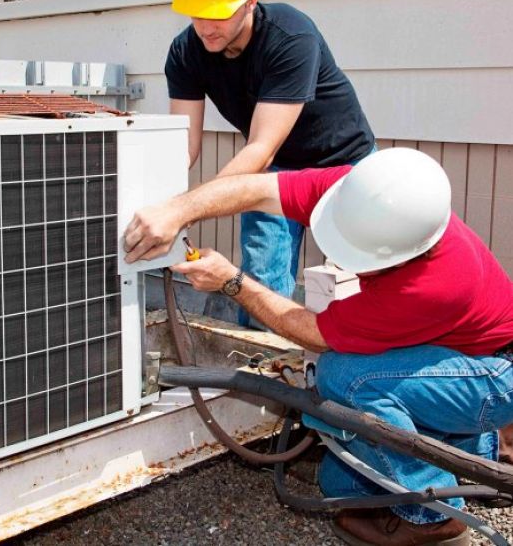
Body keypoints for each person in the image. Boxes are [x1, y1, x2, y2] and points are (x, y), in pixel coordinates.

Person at [124, 148, 513, 546]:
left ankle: (432, 518)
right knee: (337, 482)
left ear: (406, 256)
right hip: (461, 353)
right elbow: (256, 189)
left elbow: (315, 334)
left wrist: (232, 281)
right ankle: (478, 454)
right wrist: (177, 210)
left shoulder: (434, 285)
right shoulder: (360, 193)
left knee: (345, 378)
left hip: (494, 374)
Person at [166, 0, 375, 327]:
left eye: (221, 11)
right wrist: (158, 201)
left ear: (250, 2)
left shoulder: (291, 36)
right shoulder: (185, 52)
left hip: (346, 166)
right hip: (276, 171)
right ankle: (264, 377)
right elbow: (184, 146)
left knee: (367, 278)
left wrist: (184, 210)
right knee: (259, 282)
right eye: (197, 12)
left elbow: (261, 147)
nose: (207, 25)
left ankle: (357, 375)